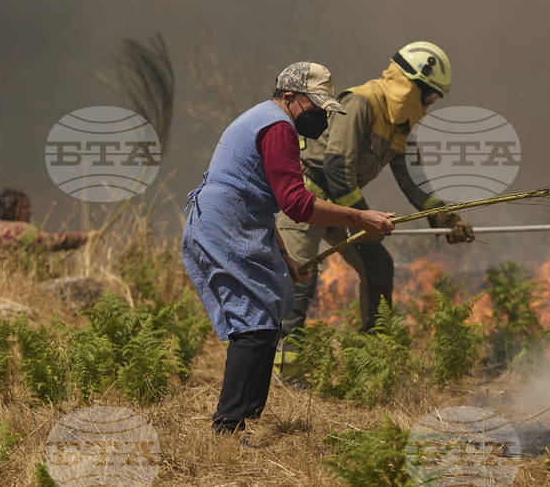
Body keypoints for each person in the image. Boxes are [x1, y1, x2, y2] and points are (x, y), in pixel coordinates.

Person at [181, 61, 395, 436]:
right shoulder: (278, 127)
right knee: (253, 324)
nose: (320, 117)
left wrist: (283, 256)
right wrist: (360, 218)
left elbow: (264, 201)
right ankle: (227, 428)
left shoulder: (268, 120)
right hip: (226, 223)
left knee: (265, 315)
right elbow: (296, 204)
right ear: (291, 97)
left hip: (236, 220)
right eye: (315, 106)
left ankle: (242, 420)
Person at [276, 42, 475, 348]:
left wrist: (445, 216)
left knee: (378, 265)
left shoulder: (401, 124)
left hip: (341, 206)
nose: (430, 104)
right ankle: (284, 373)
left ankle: (374, 355)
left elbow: (413, 180)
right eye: (431, 96)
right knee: (299, 280)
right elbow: (337, 169)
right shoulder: (363, 102)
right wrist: (364, 219)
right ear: (412, 85)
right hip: (306, 200)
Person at [0, 189, 98, 250]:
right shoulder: (18, 229)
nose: (30, 211)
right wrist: (86, 237)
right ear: (12, 209)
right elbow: (54, 241)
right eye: (25, 207)